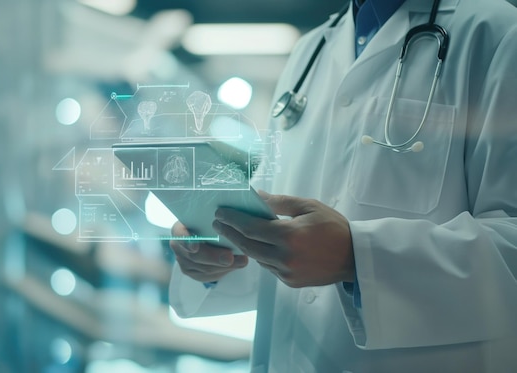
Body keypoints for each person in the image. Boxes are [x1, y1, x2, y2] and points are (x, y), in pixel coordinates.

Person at [168, 0, 517, 371]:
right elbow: (278, 229)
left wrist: (357, 257)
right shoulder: (311, 50)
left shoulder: (498, 34)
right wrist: (219, 247)